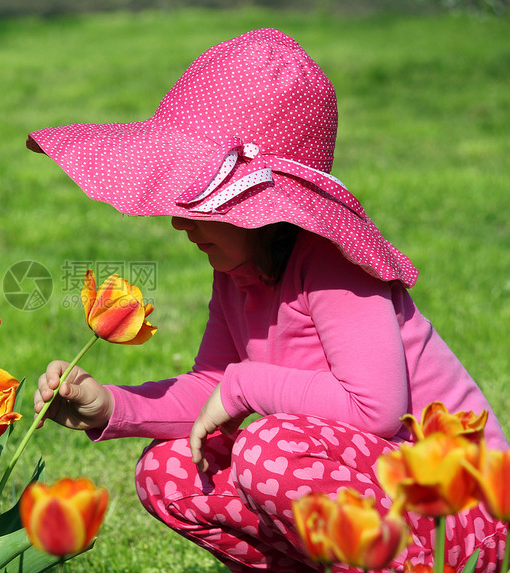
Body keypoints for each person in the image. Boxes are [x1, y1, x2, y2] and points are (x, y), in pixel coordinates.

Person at [27, 28, 507, 572]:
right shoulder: (238, 272)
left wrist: (246, 383)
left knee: (270, 452)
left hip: (455, 509)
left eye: (194, 201)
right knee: (168, 472)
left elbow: (376, 410)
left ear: (262, 207)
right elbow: (211, 390)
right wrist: (113, 405)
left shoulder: (333, 265)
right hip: (360, 492)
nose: (177, 222)